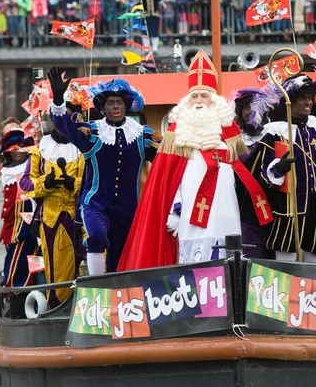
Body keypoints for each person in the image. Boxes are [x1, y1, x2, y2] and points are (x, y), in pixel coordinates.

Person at [118, 50, 273, 270]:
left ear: (215, 100)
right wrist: (173, 210)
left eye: (205, 95)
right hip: (191, 209)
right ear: (187, 100)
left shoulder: (229, 130)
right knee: (196, 258)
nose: (199, 101)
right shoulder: (177, 130)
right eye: (195, 96)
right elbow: (169, 177)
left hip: (226, 205)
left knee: (228, 249)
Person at [47, 67, 159, 275]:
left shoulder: (142, 136)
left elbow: (165, 161)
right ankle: (95, 285)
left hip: (129, 209)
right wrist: (58, 98)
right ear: (103, 107)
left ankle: (121, 296)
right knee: (97, 237)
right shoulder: (92, 133)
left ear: (126, 106)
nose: (115, 106)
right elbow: (64, 127)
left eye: (119, 102)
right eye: (110, 103)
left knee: (122, 257)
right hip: (96, 204)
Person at [242, 74, 316, 263]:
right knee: (285, 269)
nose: (308, 102)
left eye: (310, 97)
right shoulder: (274, 135)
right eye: (302, 97)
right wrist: (277, 169)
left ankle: (313, 293)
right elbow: (260, 176)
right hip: (286, 214)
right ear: (289, 101)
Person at [19, 122, 85, 308]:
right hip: (52, 218)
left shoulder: (85, 150)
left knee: (99, 259)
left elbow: (95, 182)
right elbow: (25, 183)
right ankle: (59, 307)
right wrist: (45, 184)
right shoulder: (40, 152)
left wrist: (75, 183)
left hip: (83, 215)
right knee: (58, 271)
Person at [0, 129, 38, 318]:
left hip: (26, 229)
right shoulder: (8, 172)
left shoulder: (28, 170)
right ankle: (15, 299)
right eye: (14, 149)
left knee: (22, 267)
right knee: (16, 263)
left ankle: (17, 297)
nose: (18, 152)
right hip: (13, 230)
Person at [233, 87, 274, 259]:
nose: (252, 112)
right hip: (243, 208)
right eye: (247, 107)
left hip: (273, 207)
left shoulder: (274, 135)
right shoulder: (233, 141)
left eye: (256, 107)